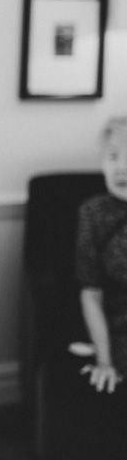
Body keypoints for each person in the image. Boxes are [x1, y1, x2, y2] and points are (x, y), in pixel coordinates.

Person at [76, 116, 127, 394]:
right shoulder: (93, 213)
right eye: (113, 156)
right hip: (119, 330)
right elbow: (90, 292)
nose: (121, 167)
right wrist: (104, 360)